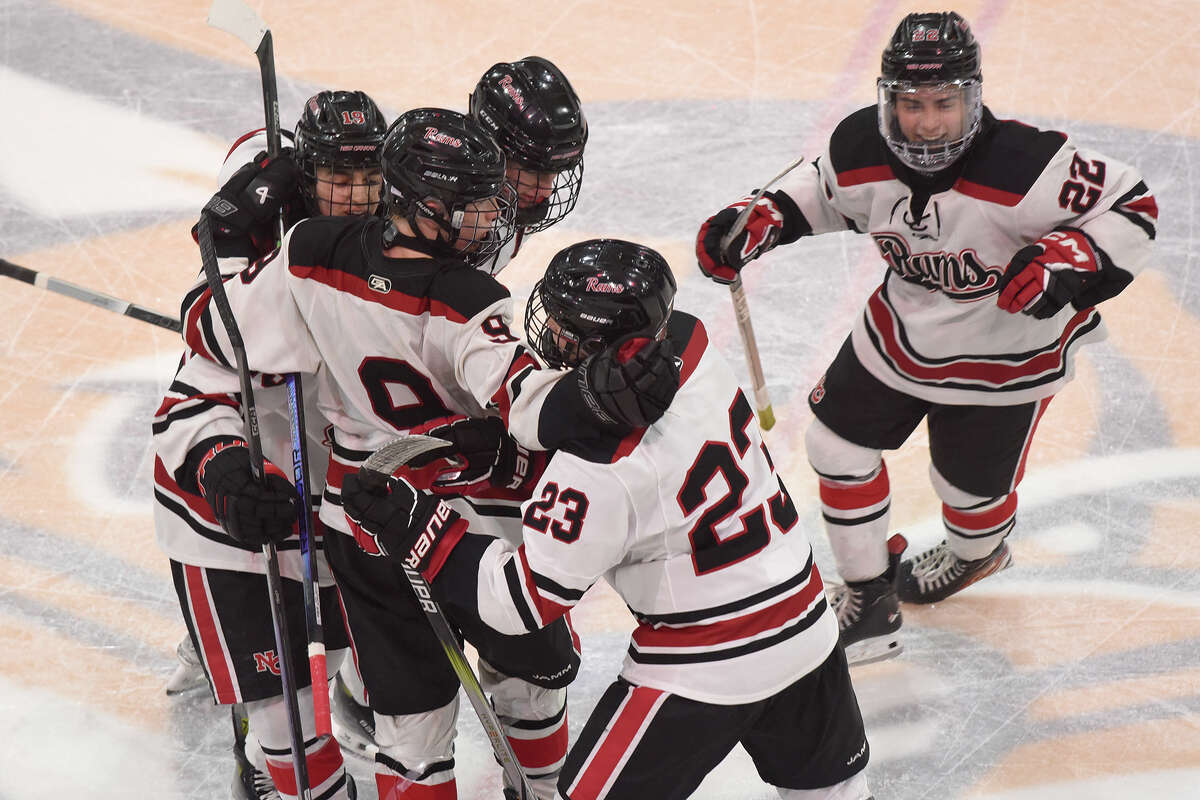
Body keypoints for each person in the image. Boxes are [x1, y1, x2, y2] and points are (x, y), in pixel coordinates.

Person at [173, 108, 680, 799]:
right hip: (469, 516)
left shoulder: (309, 250)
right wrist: (597, 395)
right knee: (527, 681)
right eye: (473, 205)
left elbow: (211, 329)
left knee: (410, 729)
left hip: (361, 521)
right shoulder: (471, 299)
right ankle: (537, 786)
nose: (489, 219)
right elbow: (532, 411)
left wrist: (232, 254)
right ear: (424, 205)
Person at [694, 11, 1157, 665]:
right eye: (911, 104)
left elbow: (1132, 204)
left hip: (1007, 358)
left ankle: (978, 553)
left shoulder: (1027, 166)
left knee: (969, 499)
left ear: (972, 96)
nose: (928, 122)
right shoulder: (862, 145)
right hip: (900, 334)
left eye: (944, 102)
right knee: (832, 444)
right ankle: (869, 600)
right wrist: (761, 216)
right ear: (889, 100)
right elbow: (819, 191)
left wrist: (1070, 257)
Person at [340, 238, 874, 800]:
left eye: (567, 328)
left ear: (596, 343)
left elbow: (520, 602)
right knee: (833, 793)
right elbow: (654, 476)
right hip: (807, 619)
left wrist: (419, 527)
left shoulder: (594, 469)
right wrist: (509, 459)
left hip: (704, 659)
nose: (552, 335)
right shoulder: (692, 343)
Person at [324, 55, 593, 763]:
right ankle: (353, 679)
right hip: (362, 429)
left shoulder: (476, 210)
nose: (544, 188)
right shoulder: (430, 198)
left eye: (557, 168)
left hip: (427, 432)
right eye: (529, 167)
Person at [154, 88, 388, 799]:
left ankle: (279, 743)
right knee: (288, 719)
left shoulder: (388, 257)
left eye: (366, 177)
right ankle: (274, 756)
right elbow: (185, 406)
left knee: (331, 662)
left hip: (332, 513)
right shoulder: (260, 284)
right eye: (335, 179)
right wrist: (226, 475)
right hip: (231, 525)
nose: (353, 196)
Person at [469, 56, 588, 276]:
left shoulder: (518, 203)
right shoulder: (431, 204)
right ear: (491, 148)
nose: (546, 191)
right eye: (533, 172)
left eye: (554, 173)